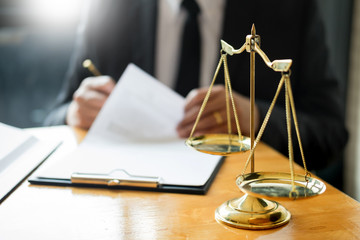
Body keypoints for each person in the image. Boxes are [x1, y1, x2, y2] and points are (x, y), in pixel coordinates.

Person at [44, 0, 348, 179]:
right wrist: (75, 113)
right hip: (129, 201)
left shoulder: (291, 9)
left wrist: (256, 118)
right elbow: (54, 117)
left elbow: (331, 132)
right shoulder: (109, 9)